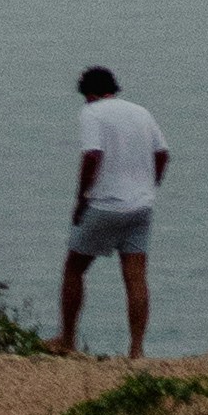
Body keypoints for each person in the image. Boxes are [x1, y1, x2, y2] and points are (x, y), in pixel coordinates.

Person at [58, 63, 169, 358]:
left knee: (74, 268)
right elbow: (162, 153)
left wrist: (82, 198)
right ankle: (136, 350)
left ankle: (67, 340)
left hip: (105, 205)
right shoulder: (141, 112)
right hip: (141, 207)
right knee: (135, 277)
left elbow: (92, 155)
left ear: (89, 93)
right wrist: (150, 186)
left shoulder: (91, 113)